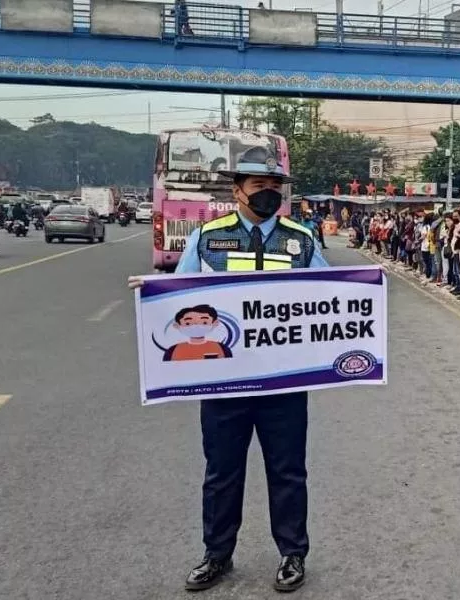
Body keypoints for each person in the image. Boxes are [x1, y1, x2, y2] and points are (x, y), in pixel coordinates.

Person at [127, 147, 328, 592]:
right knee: (222, 471)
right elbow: (181, 290)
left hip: (284, 381)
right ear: (237, 190)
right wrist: (153, 290)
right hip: (223, 380)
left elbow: (328, 296)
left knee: (289, 470)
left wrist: (368, 290)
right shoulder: (206, 237)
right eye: (260, 186)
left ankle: (293, 554)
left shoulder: (303, 238)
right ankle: (217, 555)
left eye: (276, 186)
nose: (269, 193)